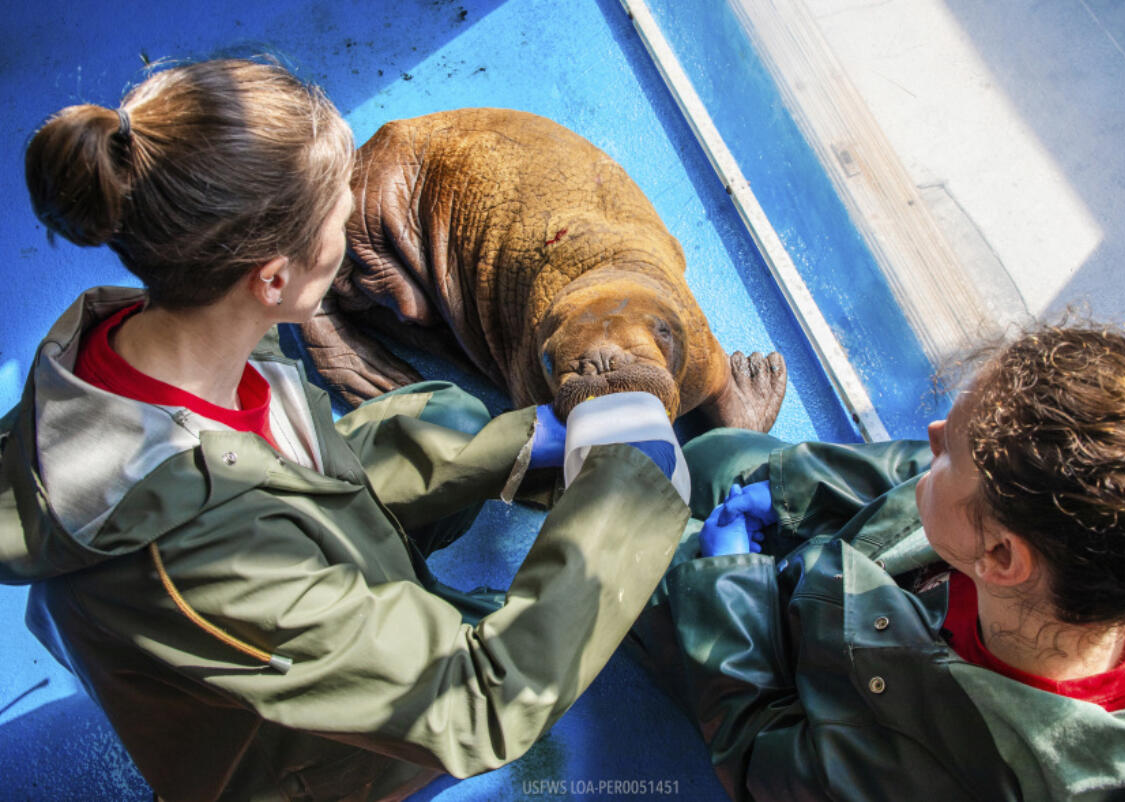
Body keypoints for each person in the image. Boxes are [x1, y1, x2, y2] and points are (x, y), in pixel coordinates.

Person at [0, 58, 690, 802]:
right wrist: (633, 491)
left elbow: (273, 467)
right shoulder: (201, 562)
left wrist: (513, 449)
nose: (352, 212)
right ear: (274, 276)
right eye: (339, 207)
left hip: (251, 563)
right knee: (517, 658)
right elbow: (472, 704)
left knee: (448, 416)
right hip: (302, 761)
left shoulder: (167, 332)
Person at [632, 325, 1125, 800]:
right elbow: (913, 472)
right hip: (837, 586)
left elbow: (760, 748)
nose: (933, 432)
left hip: (786, 671)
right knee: (715, 457)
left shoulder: (934, 775)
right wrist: (790, 488)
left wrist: (729, 581)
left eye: (953, 448)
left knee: (636, 532)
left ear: (997, 555)